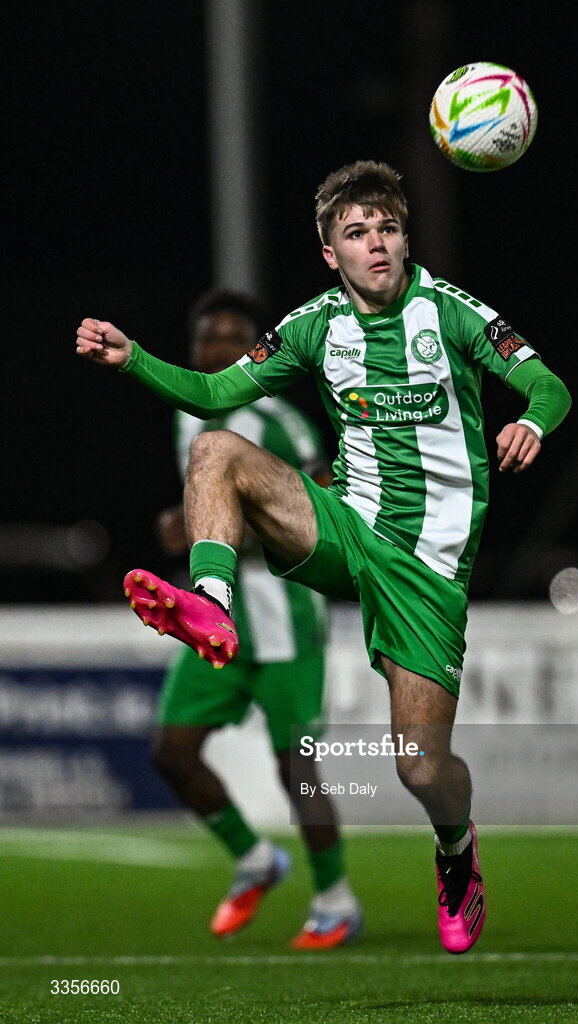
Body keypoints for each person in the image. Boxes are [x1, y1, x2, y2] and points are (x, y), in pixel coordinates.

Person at [76, 160, 571, 954]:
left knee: (421, 768)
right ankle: (211, 599)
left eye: (387, 228)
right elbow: (212, 395)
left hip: (428, 571)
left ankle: (456, 851)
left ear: (406, 238)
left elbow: (548, 384)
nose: (376, 243)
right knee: (215, 449)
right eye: (357, 232)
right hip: (347, 528)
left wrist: (533, 423)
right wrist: (131, 357)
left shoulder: (450, 313)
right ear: (329, 254)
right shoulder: (312, 327)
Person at [147, 289, 361, 950]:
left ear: (253, 349)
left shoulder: (278, 423)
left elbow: (323, 512)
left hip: (287, 618)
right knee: (172, 753)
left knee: (295, 768)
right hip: (217, 617)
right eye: (204, 340)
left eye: (228, 339)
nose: (214, 351)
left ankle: (335, 899)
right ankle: (254, 859)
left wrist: (232, 529)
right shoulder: (190, 418)